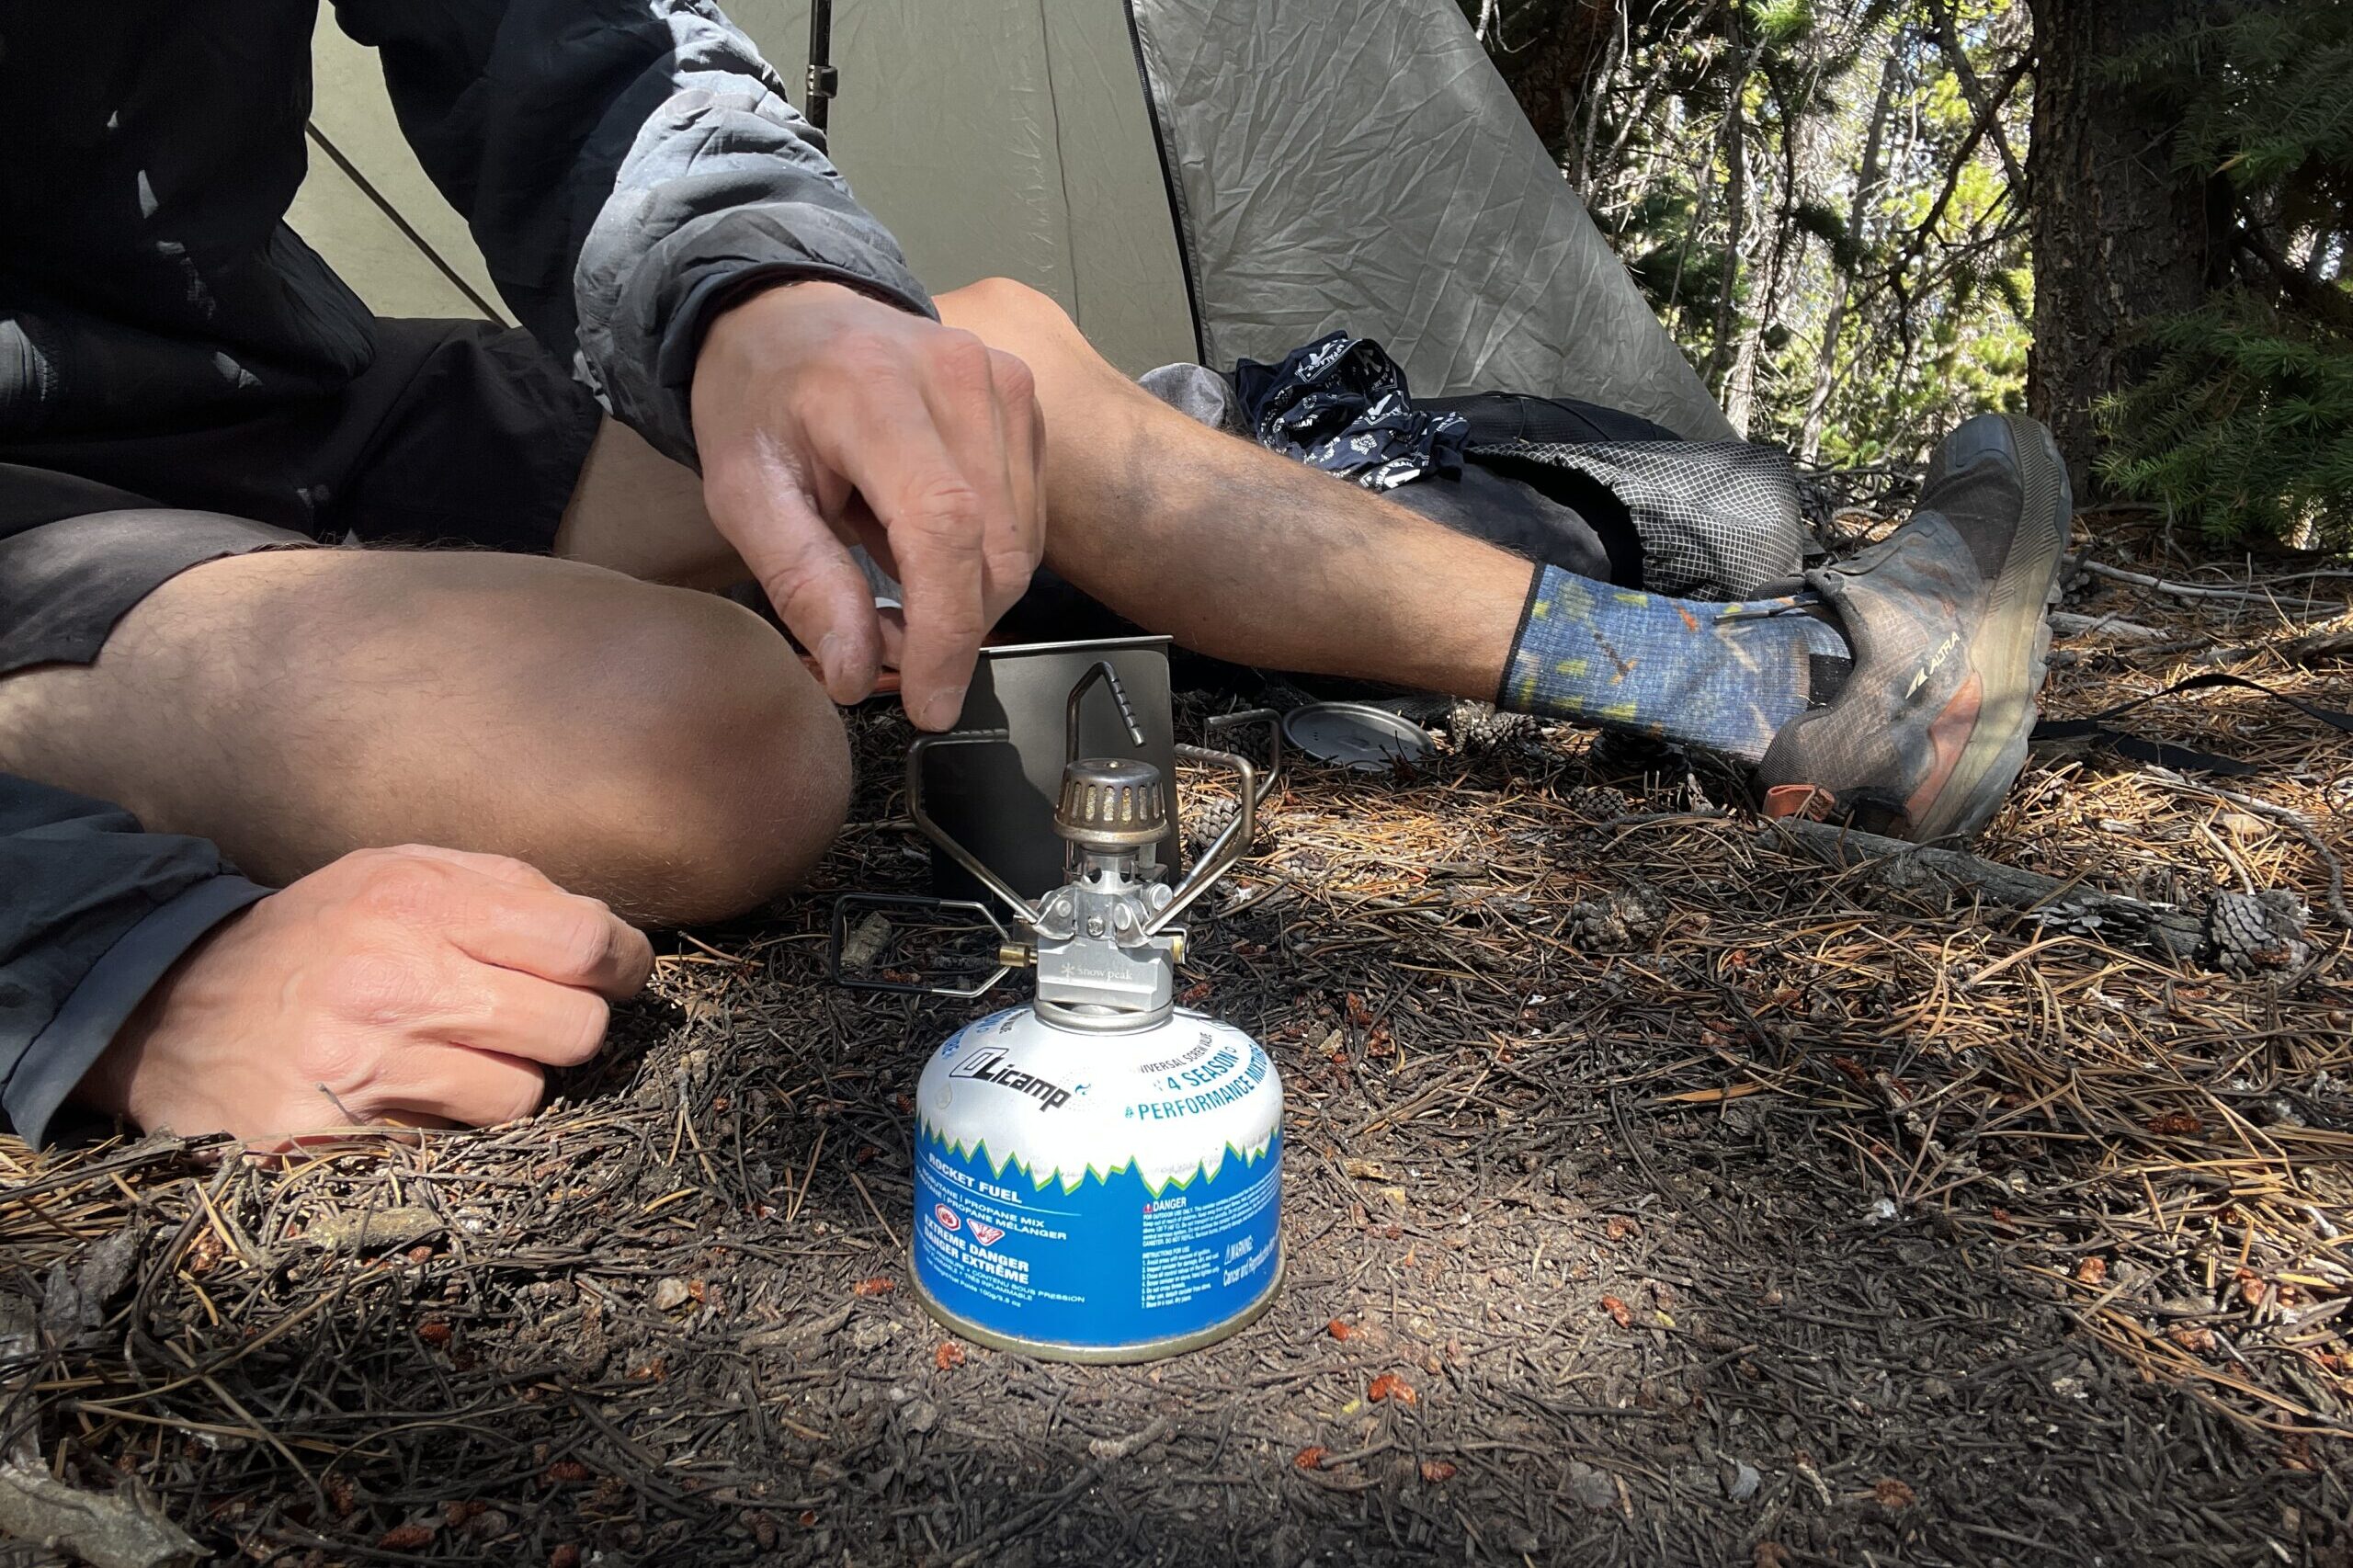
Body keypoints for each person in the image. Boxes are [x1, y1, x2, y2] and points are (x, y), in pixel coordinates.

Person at [0, 1, 2068, 1147]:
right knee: (708, 753)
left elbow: (578, 44)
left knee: (974, 367)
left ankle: (1765, 686)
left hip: (278, 398)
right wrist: (105, 966)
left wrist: (768, 300)